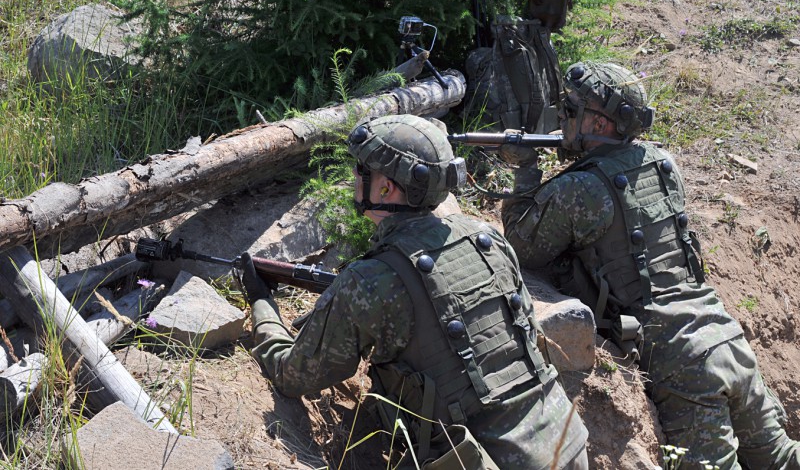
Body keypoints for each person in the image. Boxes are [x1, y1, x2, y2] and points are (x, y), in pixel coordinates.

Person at [241, 114, 589, 469]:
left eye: (361, 170)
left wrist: (262, 304)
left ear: (385, 188)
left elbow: (292, 375)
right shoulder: (488, 239)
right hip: (566, 442)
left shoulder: (370, 280)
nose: (353, 178)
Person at [500, 61, 800, 469]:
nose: (563, 117)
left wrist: (525, 170)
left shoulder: (582, 188)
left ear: (601, 125)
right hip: (724, 333)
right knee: (781, 458)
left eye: (572, 109)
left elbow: (522, 245)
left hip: (683, 362)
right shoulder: (662, 163)